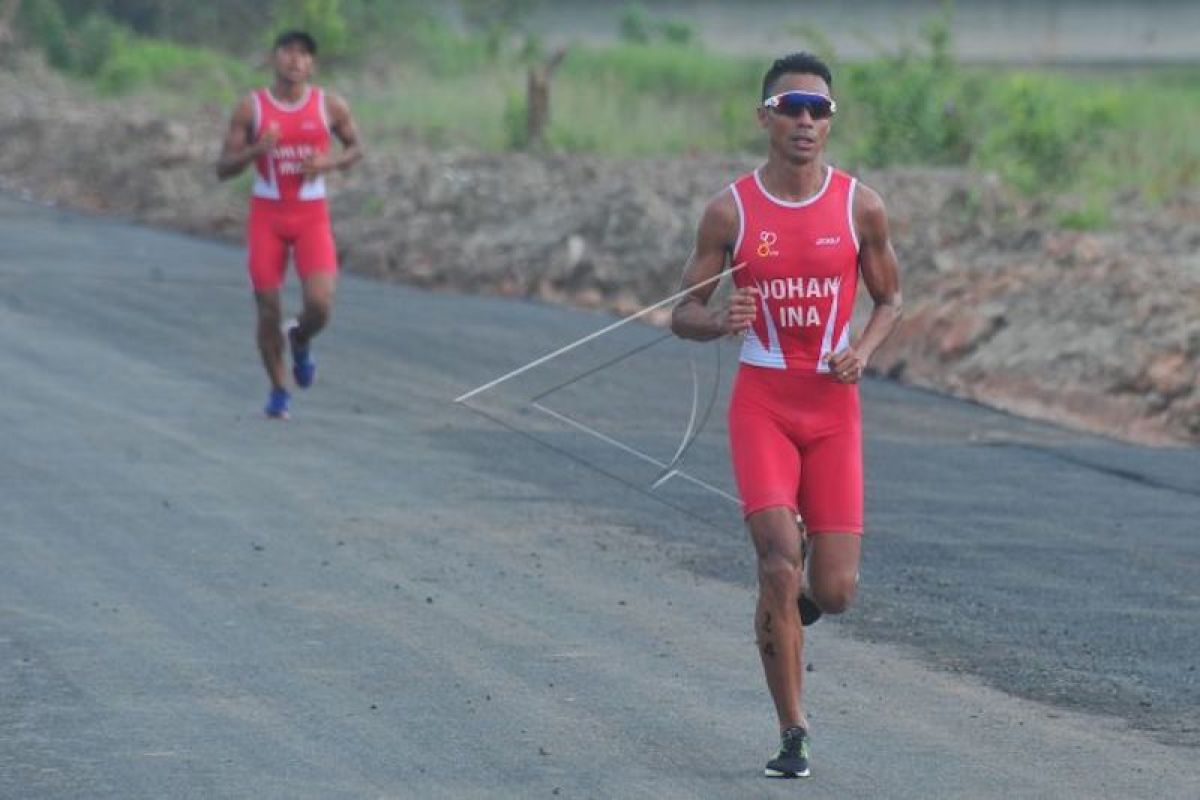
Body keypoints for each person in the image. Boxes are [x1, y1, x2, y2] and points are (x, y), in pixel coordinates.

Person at [670, 52, 902, 778]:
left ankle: (791, 608)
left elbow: (891, 299)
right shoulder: (730, 210)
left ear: (830, 123)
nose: (805, 121)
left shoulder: (860, 206)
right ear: (764, 115)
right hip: (764, 403)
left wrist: (861, 349)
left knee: (831, 591)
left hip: (833, 409)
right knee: (777, 561)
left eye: (819, 110)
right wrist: (719, 321)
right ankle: (793, 730)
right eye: (792, 107)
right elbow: (683, 312)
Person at [215, 30, 363, 419]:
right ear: (274, 58)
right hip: (268, 216)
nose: (295, 60)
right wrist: (255, 150)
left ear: (311, 64)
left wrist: (327, 164)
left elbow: (356, 148)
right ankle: (279, 389)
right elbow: (222, 169)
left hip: (311, 216)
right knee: (267, 309)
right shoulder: (252, 109)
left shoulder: (329, 106)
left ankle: (299, 338)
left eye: (303, 54)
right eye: (288, 52)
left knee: (320, 305)